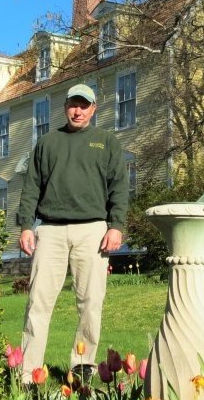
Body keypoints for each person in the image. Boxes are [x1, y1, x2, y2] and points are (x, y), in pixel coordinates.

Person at [17, 83, 129, 384]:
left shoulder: (106, 142)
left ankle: (82, 371)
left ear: (94, 109)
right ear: (65, 107)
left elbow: (119, 186)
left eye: (84, 105)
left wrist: (116, 225)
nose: (77, 111)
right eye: (72, 105)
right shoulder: (47, 142)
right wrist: (27, 225)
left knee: (90, 303)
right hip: (50, 230)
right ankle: (29, 375)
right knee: (38, 303)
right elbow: (31, 187)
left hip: (93, 230)